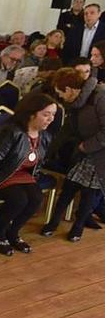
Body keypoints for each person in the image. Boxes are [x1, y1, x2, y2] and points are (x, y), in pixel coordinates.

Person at [0, 93, 57, 256]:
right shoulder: (11, 132)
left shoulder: (44, 136)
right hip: (1, 175)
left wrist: (33, 180)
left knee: (36, 199)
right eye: (46, 114)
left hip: (22, 175)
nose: (50, 119)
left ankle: (12, 232)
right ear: (31, 113)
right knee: (18, 200)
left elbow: (38, 163)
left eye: (53, 115)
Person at [42, 68, 103, 242]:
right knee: (69, 187)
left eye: (60, 93)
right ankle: (52, 223)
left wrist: (87, 146)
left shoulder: (100, 97)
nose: (60, 97)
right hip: (84, 152)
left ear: (69, 89)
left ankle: (77, 228)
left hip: (99, 154)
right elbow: (66, 130)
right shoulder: (76, 103)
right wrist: (47, 153)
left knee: (89, 195)